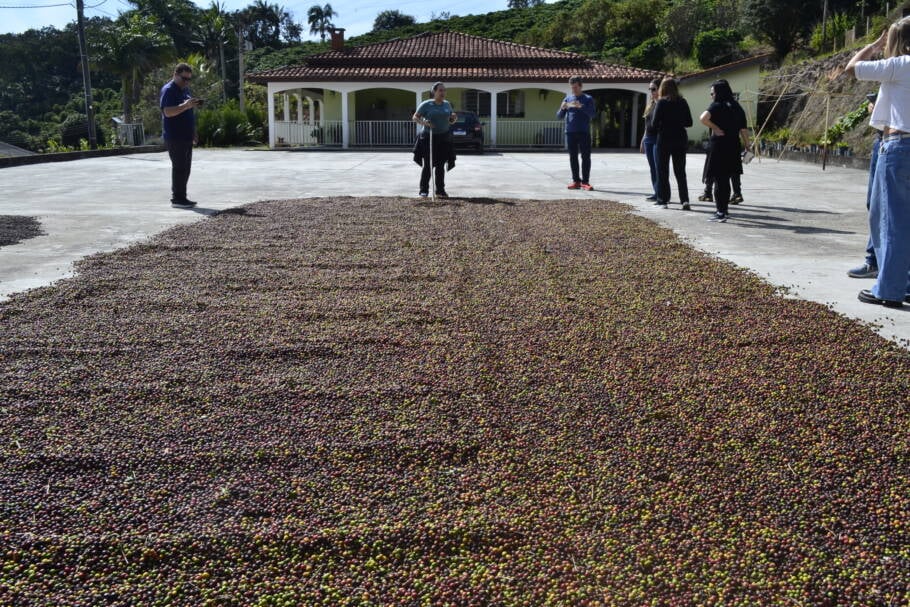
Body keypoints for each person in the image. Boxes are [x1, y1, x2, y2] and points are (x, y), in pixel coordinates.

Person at [848, 17, 910, 307]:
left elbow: (852, 69)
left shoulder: (899, 65)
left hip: (899, 146)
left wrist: (872, 46)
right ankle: (905, 283)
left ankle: (889, 289)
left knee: (890, 222)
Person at [699, 79, 751, 222]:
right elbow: (744, 130)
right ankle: (725, 211)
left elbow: (702, 118)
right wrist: (748, 146)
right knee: (727, 179)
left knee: (719, 180)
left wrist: (715, 128)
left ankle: (720, 212)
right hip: (734, 145)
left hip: (719, 146)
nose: (711, 96)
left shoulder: (717, 105)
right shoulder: (737, 106)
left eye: (712, 93)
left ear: (718, 93)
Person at [847, 94, 881, 279]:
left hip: (900, 142)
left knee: (892, 210)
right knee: (875, 206)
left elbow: (852, 68)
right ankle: (874, 261)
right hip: (884, 140)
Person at [160, 63, 202, 209]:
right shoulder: (169, 90)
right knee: (179, 167)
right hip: (175, 135)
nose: (186, 82)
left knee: (186, 168)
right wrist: (185, 105)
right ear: (176, 75)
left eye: (189, 79)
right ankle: (177, 199)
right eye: (184, 78)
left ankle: (182, 197)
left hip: (186, 135)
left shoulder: (185, 89)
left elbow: (189, 113)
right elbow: (167, 112)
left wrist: (193, 131)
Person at [652, 77, 693, 209]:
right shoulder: (683, 102)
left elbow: (654, 123)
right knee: (680, 171)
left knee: (662, 171)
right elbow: (689, 122)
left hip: (664, 139)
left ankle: (663, 200)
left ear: (662, 88)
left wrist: (664, 125)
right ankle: (685, 200)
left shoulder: (661, 103)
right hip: (680, 139)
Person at [412, 82, 456, 198]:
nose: (443, 93)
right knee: (428, 165)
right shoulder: (426, 104)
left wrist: (453, 118)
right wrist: (424, 122)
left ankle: (440, 190)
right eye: (440, 90)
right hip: (428, 137)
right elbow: (415, 117)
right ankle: (424, 190)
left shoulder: (447, 105)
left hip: (443, 138)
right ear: (434, 92)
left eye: (444, 90)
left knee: (441, 165)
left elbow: (450, 121)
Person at [557, 76, 596, 191]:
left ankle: (585, 182)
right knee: (573, 157)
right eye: (572, 87)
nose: (573, 90)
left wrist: (581, 107)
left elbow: (593, 114)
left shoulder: (588, 98)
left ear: (580, 86)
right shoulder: (568, 99)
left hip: (584, 132)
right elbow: (559, 116)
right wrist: (562, 108)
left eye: (575, 87)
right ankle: (576, 181)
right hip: (570, 132)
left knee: (585, 157)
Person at [640, 78, 662, 201]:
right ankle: (656, 192)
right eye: (650, 89)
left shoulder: (662, 103)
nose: (651, 91)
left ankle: (662, 193)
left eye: (653, 89)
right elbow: (646, 124)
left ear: (660, 89)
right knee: (652, 168)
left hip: (658, 139)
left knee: (659, 167)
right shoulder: (650, 104)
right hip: (648, 138)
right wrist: (642, 140)